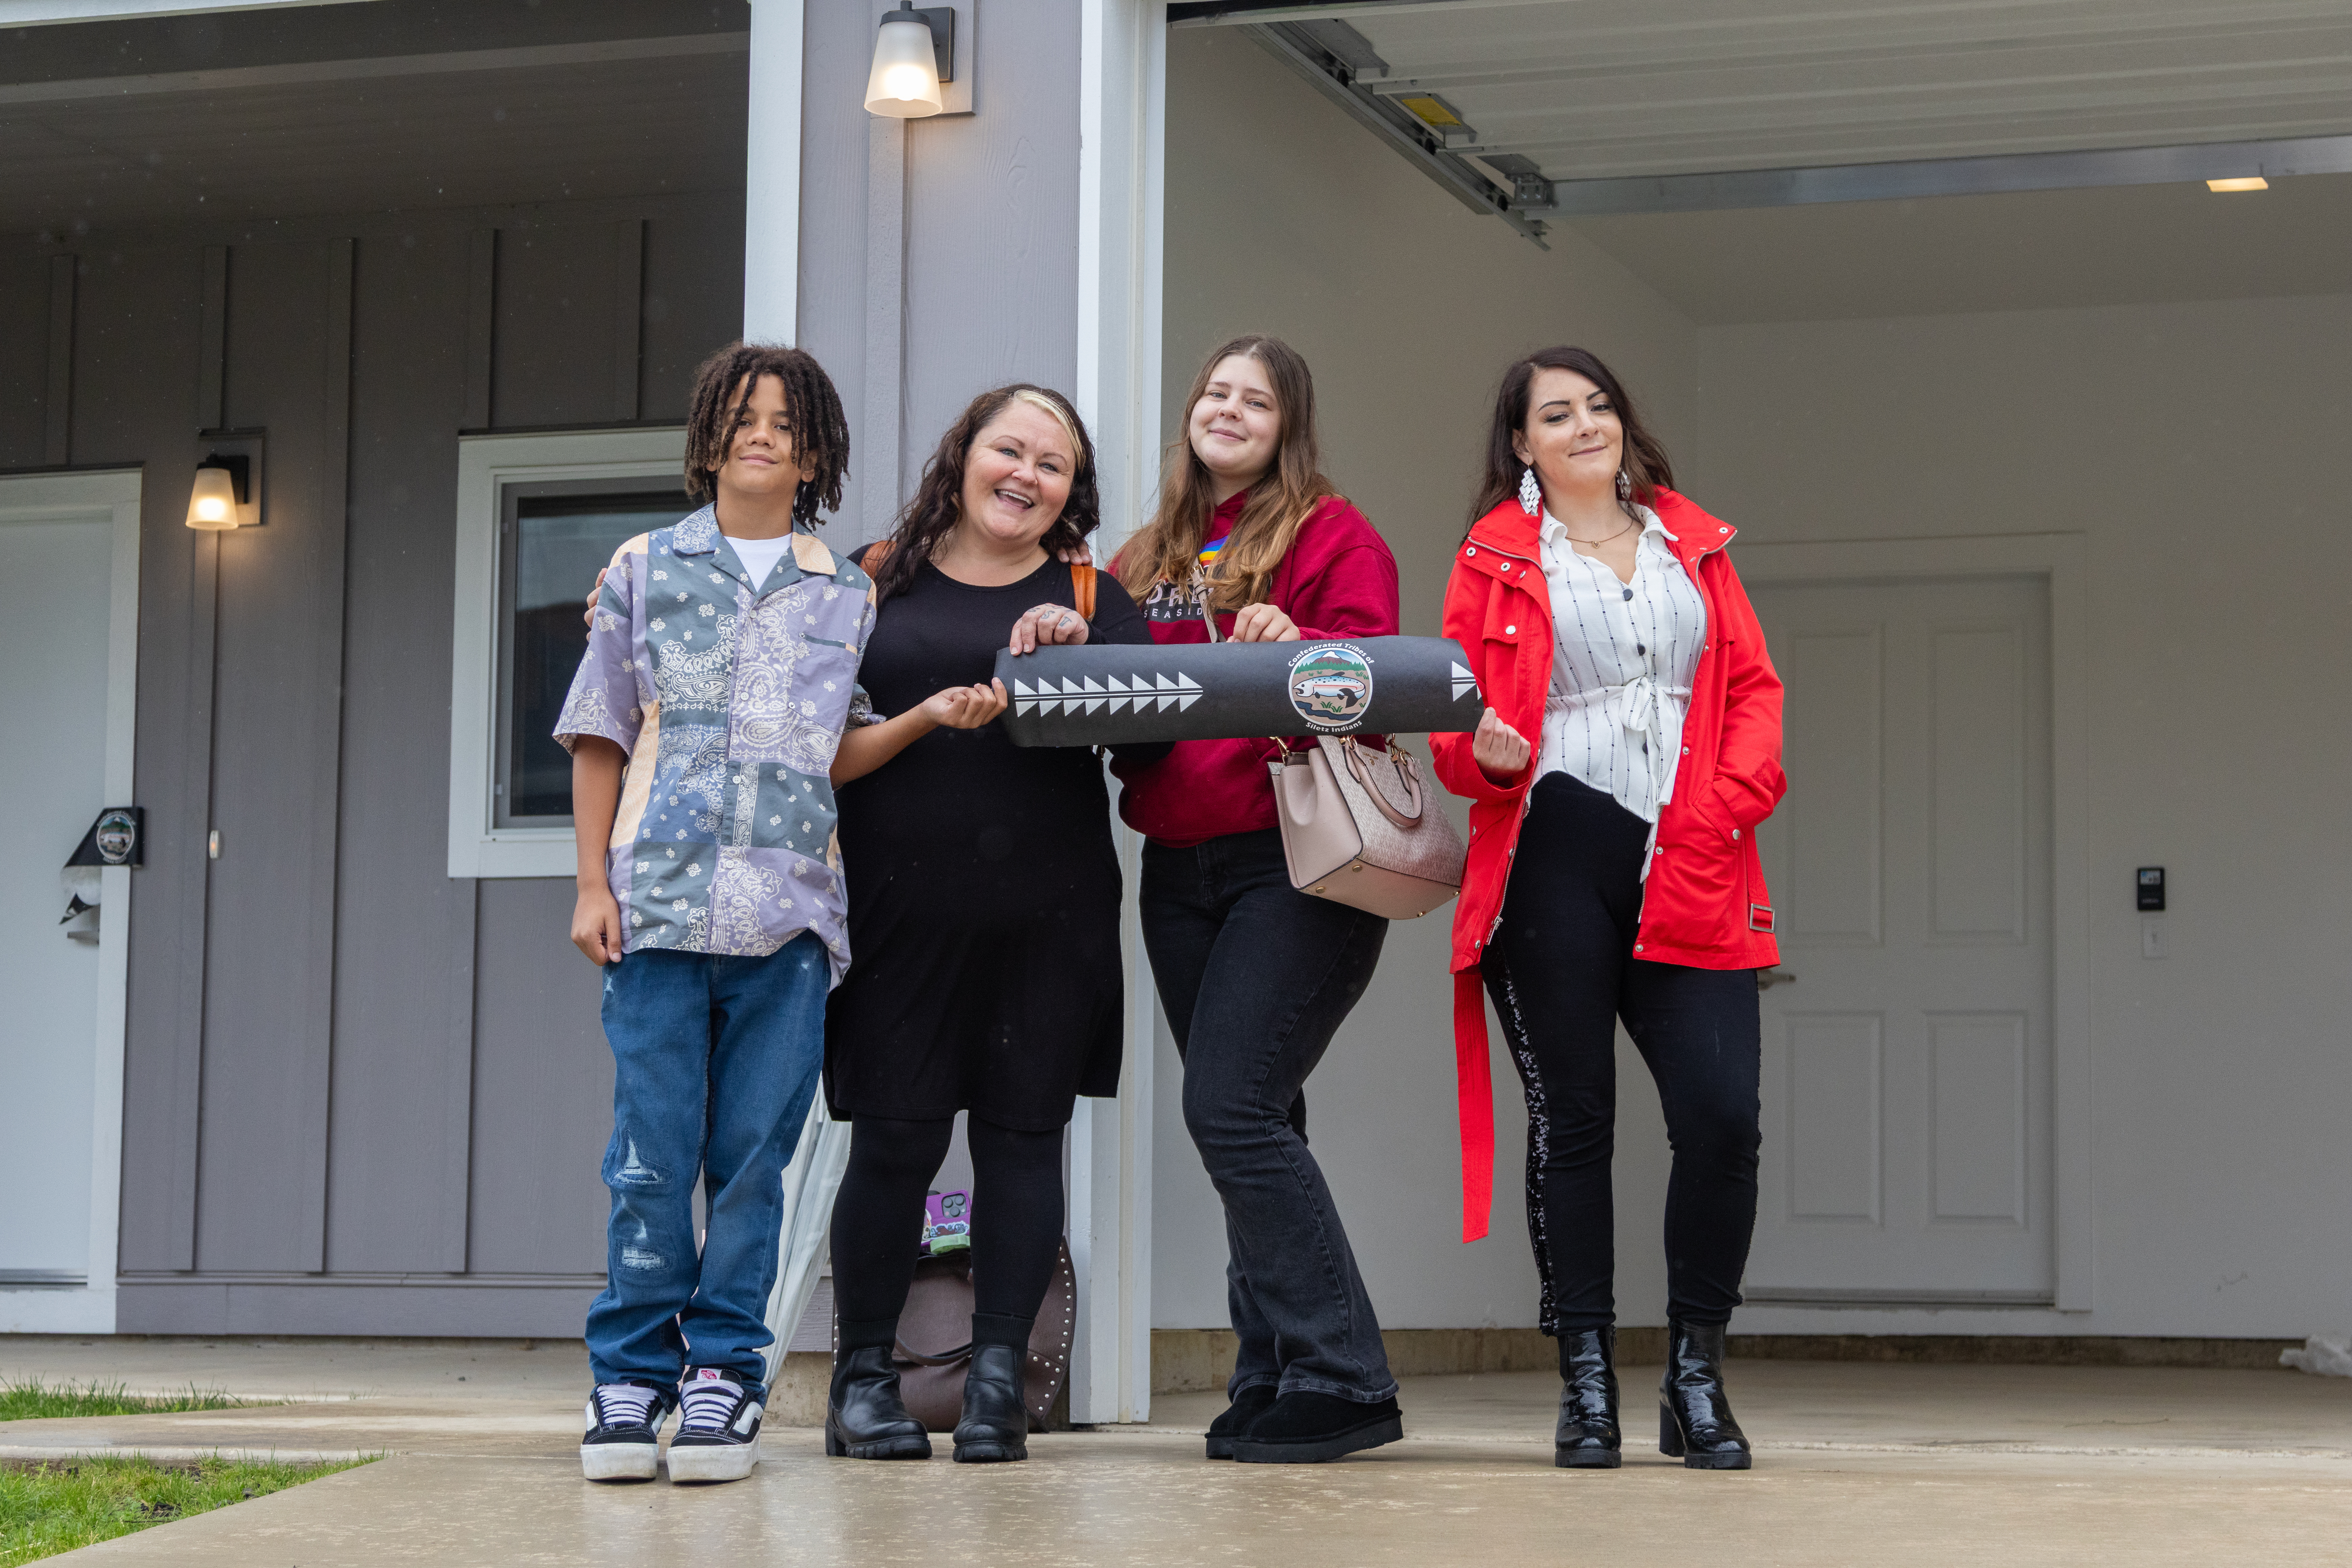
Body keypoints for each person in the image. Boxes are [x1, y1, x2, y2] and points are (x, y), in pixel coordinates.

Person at [1431, 346, 1785, 1471]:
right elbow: (1454, 728)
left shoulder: (1697, 545)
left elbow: (1756, 697)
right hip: (1555, 848)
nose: (1585, 424)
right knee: (1575, 1123)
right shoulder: (1492, 558)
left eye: (1598, 406)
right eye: (1556, 414)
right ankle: (1587, 1382)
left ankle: (1696, 1375)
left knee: (1723, 1118)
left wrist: (1718, 811)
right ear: (1523, 444)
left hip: (1695, 850)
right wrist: (1485, 757)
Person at [820, 385, 1169, 1465]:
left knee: (1025, 1145)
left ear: (1074, 490)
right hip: (896, 920)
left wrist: (1082, 658)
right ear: (962, 457)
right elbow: (809, 735)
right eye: (1007, 450)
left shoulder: (1089, 592)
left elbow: (1154, 761)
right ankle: (862, 1383)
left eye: (1052, 464)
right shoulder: (870, 578)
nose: (1025, 474)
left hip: (1048, 919)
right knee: (896, 1144)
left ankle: (997, 1385)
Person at [557, 342, 862, 1485]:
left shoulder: (850, 590)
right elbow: (601, 732)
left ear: (815, 449)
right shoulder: (642, 568)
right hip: (658, 914)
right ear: (709, 433)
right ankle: (629, 1379)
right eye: (743, 413)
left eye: (787, 420)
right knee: (649, 1156)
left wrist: (931, 720)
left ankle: (725, 1377)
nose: (763, 432)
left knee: (751, 1165)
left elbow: (842, 746)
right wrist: (593, 882)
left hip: (787, 925)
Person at [1110, 335, 1406, 1464]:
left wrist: (1306, 644)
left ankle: (1346, 1379)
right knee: (1260, 1116)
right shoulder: (1149, 554)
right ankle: (1274, 1369)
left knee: (1228, 1108)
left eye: (1258, 400)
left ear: (1290, 426)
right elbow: (1104, 683)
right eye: (1215, 393)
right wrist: (1053, 629)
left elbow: (1375, 684)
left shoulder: (1333, 534)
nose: (1229, 410)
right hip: (1179, 871)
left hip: (1299, 864)